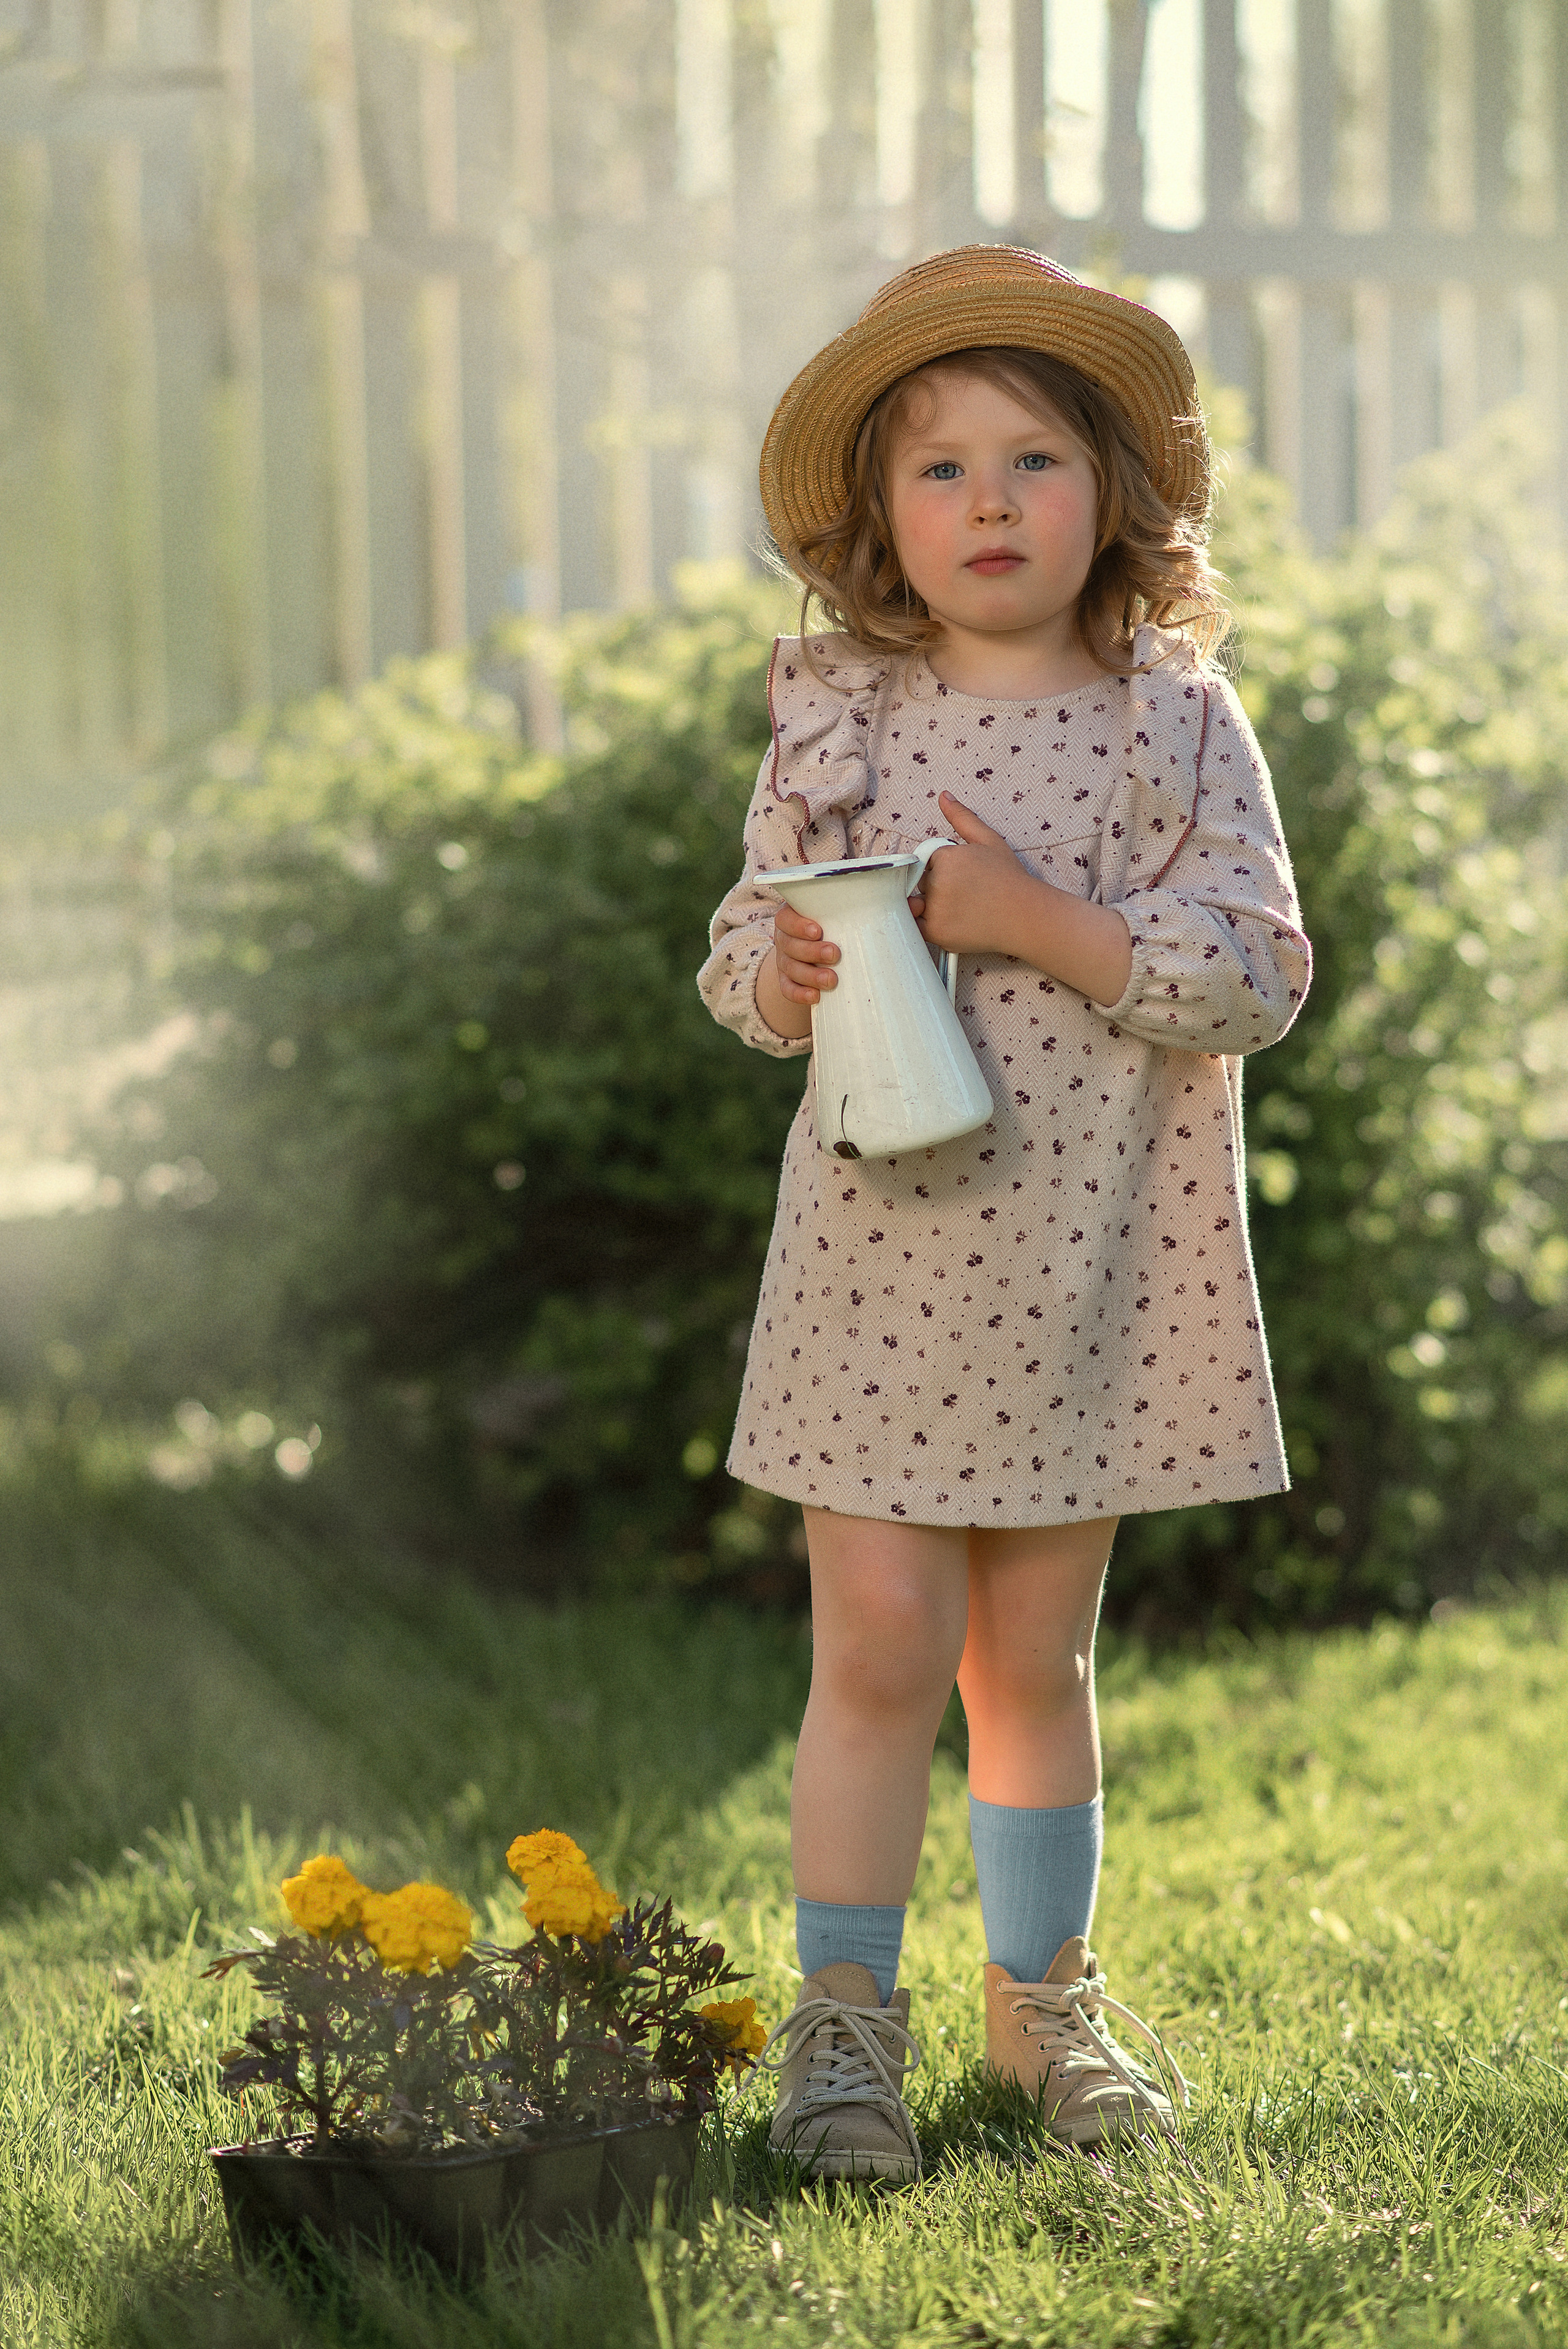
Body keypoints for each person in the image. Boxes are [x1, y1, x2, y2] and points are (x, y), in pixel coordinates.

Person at [698, 246, 1311, 2181]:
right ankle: (845, 2022)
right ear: (882, 518)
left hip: (1088, 1267)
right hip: (880, 1265)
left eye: (1033, 460)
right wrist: (777, 975)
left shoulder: (1173, 721)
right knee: (878, 1639)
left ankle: (1040, 2002)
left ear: (1112, 498)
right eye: (941, 468)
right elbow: (741, 940)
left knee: (1030, 1660)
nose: (986, 501)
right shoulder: (841, 714)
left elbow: (1256, 969)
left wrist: (1044, 921)